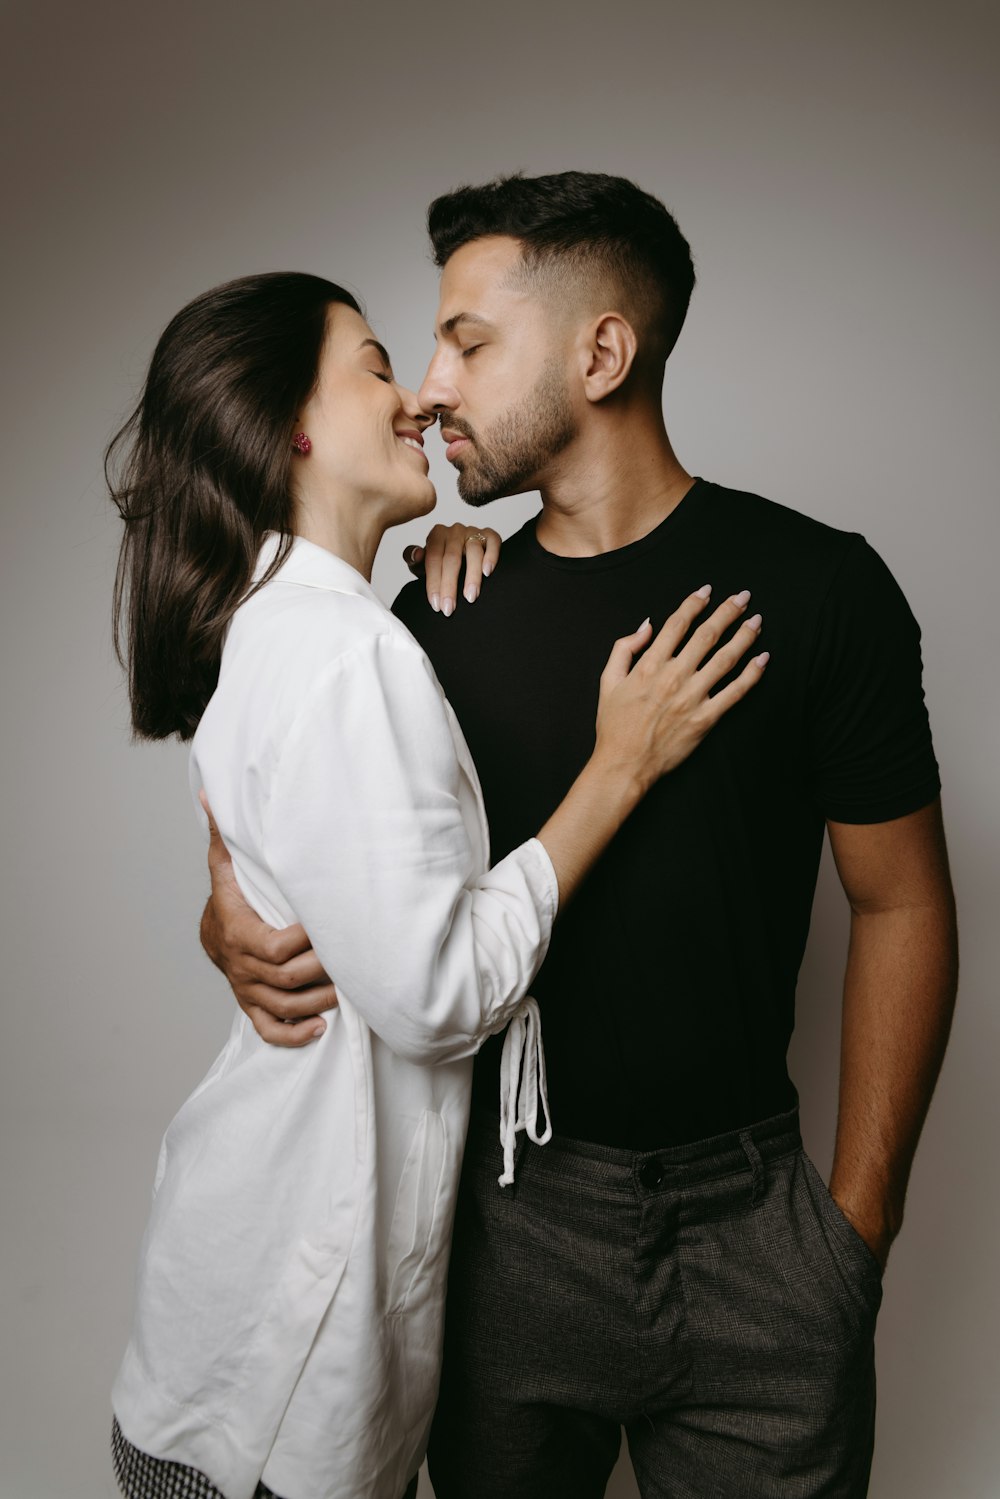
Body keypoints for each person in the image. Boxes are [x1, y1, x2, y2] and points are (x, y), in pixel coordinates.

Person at [202, 174, 958, 1499]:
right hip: (504, 1226)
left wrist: (857, 1225)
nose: (429, 386)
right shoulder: (433, 612)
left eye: (468, 342)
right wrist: (223, 893)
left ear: (602, 353)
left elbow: (900, 902)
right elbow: (281, 766)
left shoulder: (821, 586)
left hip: (762, 1233)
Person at [107, 269, 768, 1499]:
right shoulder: (338, 649)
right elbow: (440, 993)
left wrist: (476, 569)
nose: (414, 397)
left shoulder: (302, 627)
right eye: (372, 365)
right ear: (289, 425)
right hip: (272, 1382)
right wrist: (616, 768)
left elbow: (306, 859)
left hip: (226, 1342)